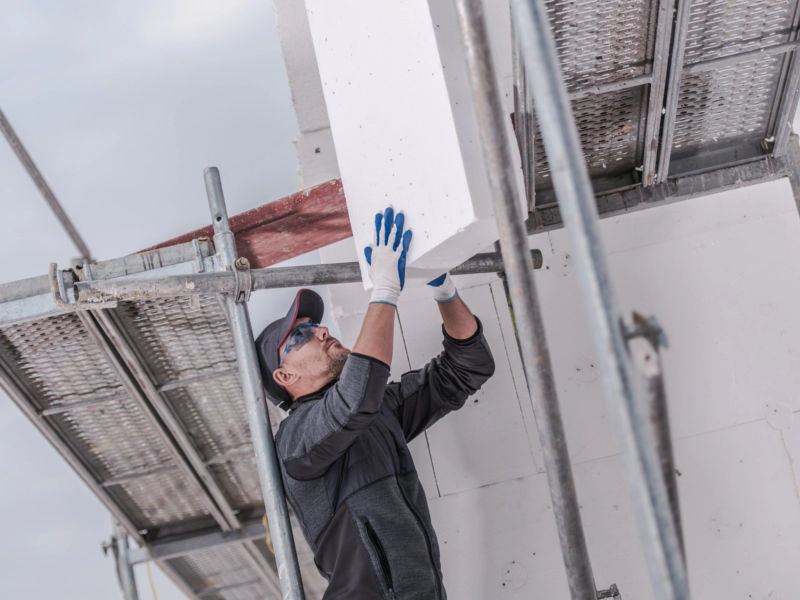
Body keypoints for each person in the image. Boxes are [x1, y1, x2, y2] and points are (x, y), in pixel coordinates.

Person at [255, 207, 495, 599]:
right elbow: (354, 401)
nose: (319, 332)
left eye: (314, 325)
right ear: (285, 377)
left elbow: (467, 367)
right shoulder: (295, 441)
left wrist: (442, 286)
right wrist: (385, 290)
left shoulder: (377, 412)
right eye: (299, 336)